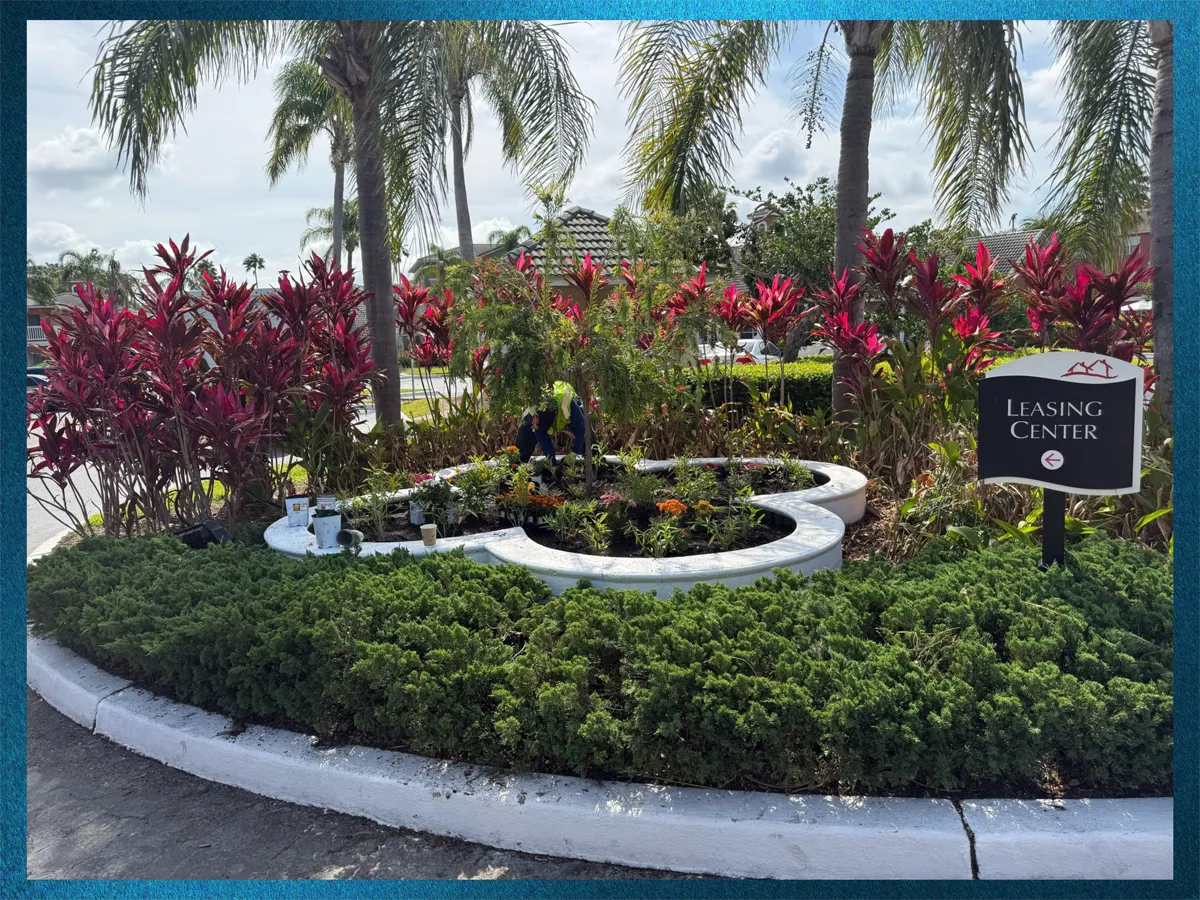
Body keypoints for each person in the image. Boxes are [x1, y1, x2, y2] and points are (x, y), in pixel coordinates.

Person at [515, 381, 585, 465]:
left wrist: (575, 452)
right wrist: (552, 463)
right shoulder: (535, 416)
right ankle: (518, 463)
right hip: (540, 413)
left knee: (586, 426)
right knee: (525, 431)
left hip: (568, 399)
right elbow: (543, 440)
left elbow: (581, 428)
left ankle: (594, 458)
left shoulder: (567, 405)